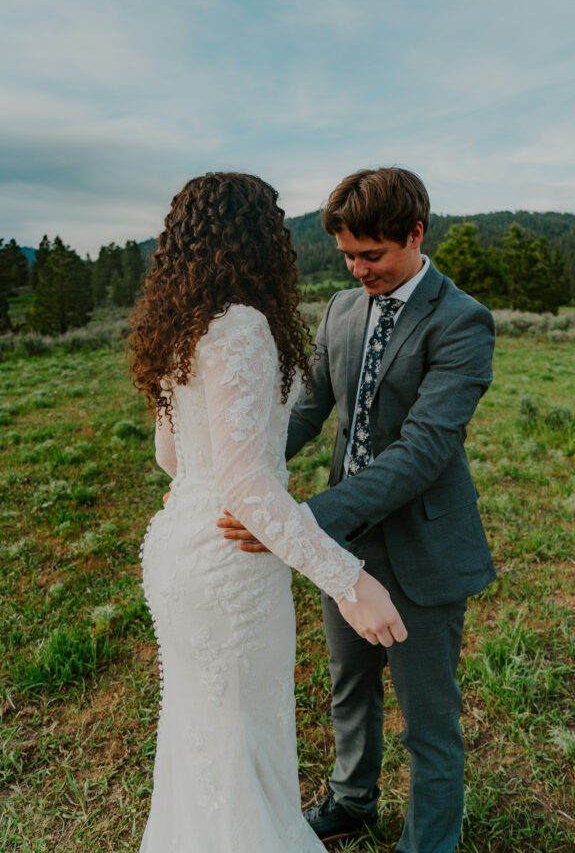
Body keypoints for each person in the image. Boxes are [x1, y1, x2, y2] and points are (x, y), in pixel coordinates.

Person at [218, 166, 496, 853]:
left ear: (415, 233)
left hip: (422, 549)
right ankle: (351, 800)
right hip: (342, 547)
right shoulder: (341, 310)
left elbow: (425, 450)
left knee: (428, 717)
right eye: (346, 255)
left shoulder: (462, 321)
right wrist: (243, 472)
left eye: (371, 255)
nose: (357, 268)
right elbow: (310, 406)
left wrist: (303, 523)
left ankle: (426, 843)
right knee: (348, 687)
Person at [129, 171, 407, 853]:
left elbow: (173, 455)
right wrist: (349, 580)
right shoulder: (243, 326)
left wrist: (200, 482)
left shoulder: (183, 325)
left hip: (177, 546)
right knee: (243, 740)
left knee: (201, 736)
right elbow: (248, 486)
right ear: (259, 240)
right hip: (230, 562)